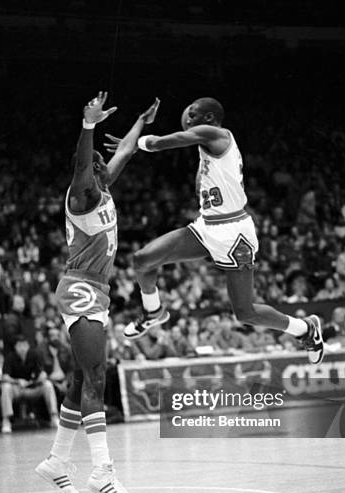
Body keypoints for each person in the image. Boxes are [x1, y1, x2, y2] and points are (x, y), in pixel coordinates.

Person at [105, 97, 324, 364]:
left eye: (193, 113)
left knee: (245, 313)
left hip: (234, 234)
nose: (188, 116)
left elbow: (164, 142)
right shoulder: (206, 150)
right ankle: (153, 311)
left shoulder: (217, 133)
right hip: (206, 227)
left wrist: (133, 144)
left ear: (208, 118)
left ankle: (305, 329)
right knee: (142, 260)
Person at [36, 91, 160, 493]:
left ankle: (55, 461)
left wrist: (141, 122)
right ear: (86, 173)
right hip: (80, 289)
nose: (105, 163)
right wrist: (87, 126)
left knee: (79, 379)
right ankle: (102, 471)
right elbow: (82, 164)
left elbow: (124, 151)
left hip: (98, 292)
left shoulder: (103, 188)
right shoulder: (82, 196)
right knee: (96, 377)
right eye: (95, 164)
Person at [1, 334, 58, 434]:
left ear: (28, 346)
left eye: (24, 345)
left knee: (47, 385)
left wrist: (41, 377)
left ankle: (54, 417)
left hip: (33, 387)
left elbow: (43, 372)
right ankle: (6, 421)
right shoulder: (10, 357)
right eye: (19, 345)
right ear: (15, 347)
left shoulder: (34, 354)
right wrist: (17, 381)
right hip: (17, 388)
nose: (22, 348)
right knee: (5, 387)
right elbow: (5, 377)